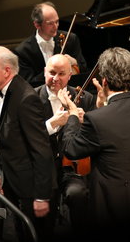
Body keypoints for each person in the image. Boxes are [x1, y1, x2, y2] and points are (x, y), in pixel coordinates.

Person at [59, 47, 130, 238]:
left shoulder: (96, 119)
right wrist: (103, 108)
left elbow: (71, 149)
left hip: (115, 204)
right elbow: (124, 128)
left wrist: (73, 115)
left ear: (104, 81)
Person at [0, 46, 56, 241]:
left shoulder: (27, 99)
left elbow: (42, 151)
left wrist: (41, 196)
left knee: (36, 234)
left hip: (30, 185)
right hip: (10, 176)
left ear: (7, 71)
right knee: (19, 231)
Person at [33, 54, 95, 234]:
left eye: (61, 74)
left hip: (72, 168)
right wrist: (53, 123)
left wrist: (84, 125)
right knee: (44, 218)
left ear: (70, 76)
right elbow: (27, 138)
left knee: (78, 194)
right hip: (43, 168)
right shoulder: (31, 98)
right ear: (45, 72)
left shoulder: (86, 98)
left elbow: (93, 140)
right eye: (52, 72)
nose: (55, 78)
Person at [14, 1, 87, 87]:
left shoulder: (70, 39)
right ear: (37, 25)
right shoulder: (23, 51)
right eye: (50, 23)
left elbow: (83, 69)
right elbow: (29, 83)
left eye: (57, 22)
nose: (55, 26)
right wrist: (51, 69)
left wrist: (74, 62)